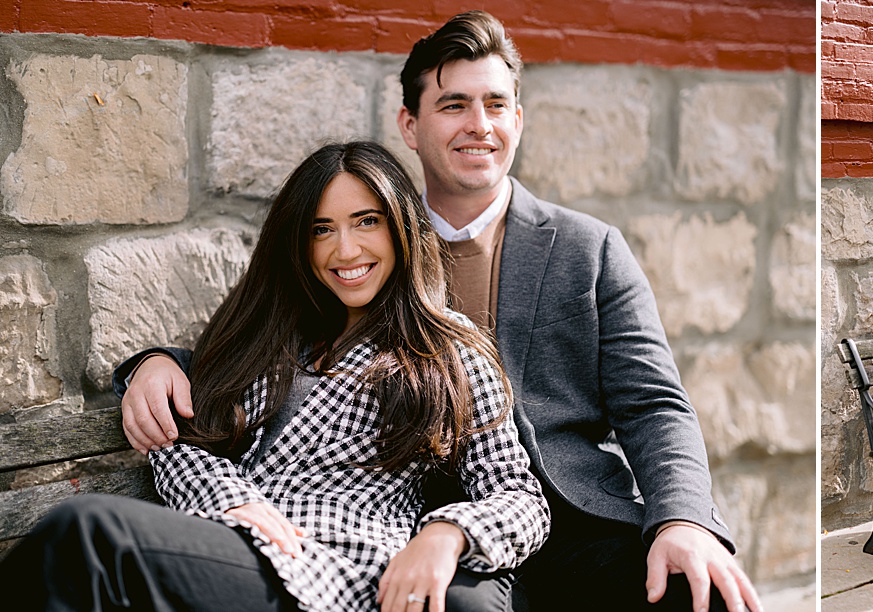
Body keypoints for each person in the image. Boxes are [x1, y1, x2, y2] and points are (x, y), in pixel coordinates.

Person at [111, 11, 758, 612]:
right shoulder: (364, 237)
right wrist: (159, 363)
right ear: (411, 127)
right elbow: (278, 333)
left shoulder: (588, 249)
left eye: (495, 104)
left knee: (702, 592)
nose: (479, 124)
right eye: (454, 105)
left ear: (518, 121)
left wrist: (683, 519)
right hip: (409, 519)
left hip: (566, 517)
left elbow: (653, 404)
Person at [0, 142, 549, 611]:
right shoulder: (269, 334)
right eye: (322, 229)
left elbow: (519, 497)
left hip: (344, 572)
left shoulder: (444, 348)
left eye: (366, 222)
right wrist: (227, 496)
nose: (346, 249)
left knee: (92, 536)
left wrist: (447, 535)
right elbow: (184, 438)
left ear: (401, 226)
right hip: (234, 547)